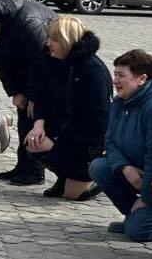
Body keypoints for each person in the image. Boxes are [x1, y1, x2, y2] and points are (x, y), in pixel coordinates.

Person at [0, 0, 56, 186]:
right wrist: (15, 92)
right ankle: (23, 165)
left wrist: (33, 96)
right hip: (24, 72)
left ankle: (35, 171)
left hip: (47, 74)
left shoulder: (28, 22)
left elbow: (41, 63)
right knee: (23, 118)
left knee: (35, 118)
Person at [89, 50, 152, 242]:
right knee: (98, 167)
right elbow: (109, 141)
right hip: (136, 169)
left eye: (121, 76)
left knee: (138, 232)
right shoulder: (121, 101)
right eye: (115, 74)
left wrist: (146, 197)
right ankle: (133, 214)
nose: (115, 80)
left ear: (141, 79)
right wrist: (125, 168)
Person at [25, 17, 112, 201]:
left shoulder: (92, 69)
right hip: (63, 129)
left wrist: (60, 140)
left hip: (85, 139)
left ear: (67, 40)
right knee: (33, 143)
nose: (48, 44)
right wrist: (38, 124)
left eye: (54, 40)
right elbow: (43, 97)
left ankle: (97, 178)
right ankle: (64, 175)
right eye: (49, 38)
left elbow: (98, 120)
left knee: (73, 196)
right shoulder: (51, 62)